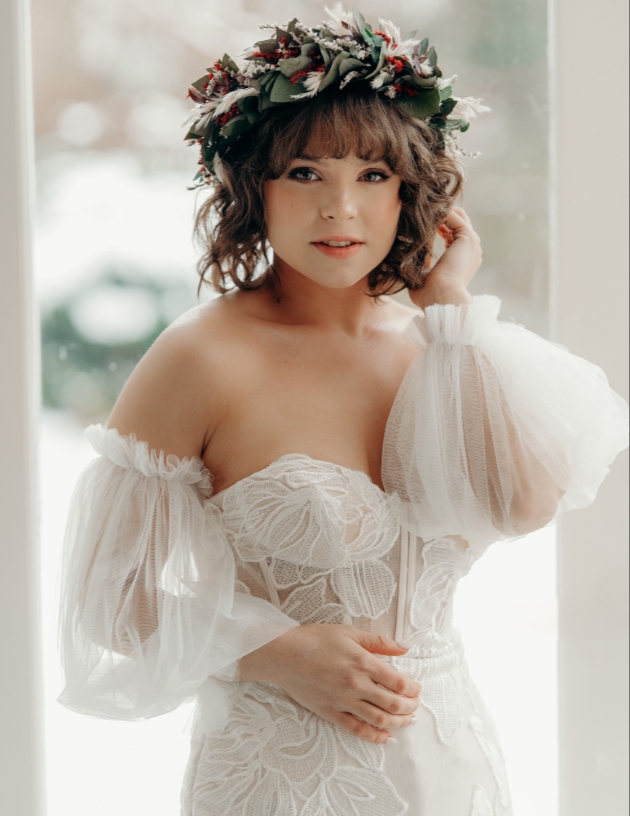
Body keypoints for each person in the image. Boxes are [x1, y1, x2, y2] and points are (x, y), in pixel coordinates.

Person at [57, 6, 629, 815]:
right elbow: (108, 601)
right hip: (276, 774)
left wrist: (453, 308)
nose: (340, 211)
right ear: (253, 185)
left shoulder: (444, 344)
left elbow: (522, 505)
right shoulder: (200, 358)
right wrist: (274, 651)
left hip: (450, 763)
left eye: (371, 176)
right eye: (306, 174)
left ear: (411, 193)